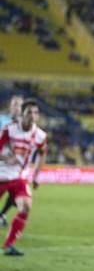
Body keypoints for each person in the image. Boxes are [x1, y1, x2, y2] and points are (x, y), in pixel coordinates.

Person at [0, 99, 48, 256]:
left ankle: (9, 245)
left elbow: (42, 153)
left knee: (26, 206)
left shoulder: (40, 135)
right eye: (29, 112)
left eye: (36, 113)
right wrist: (6, 158)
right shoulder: (9, 129)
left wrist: (36, 176)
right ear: (23, 114)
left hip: (18, 177)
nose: (33, 116)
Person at [0, 95, 23, 227]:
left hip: (15, 163)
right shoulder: (2, 119)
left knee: (18, 194)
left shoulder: (24, 123)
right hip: (2, 160)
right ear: (10, 106)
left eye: (19, 105)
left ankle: (2, 214)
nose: (16, 107)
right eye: (14, 104)